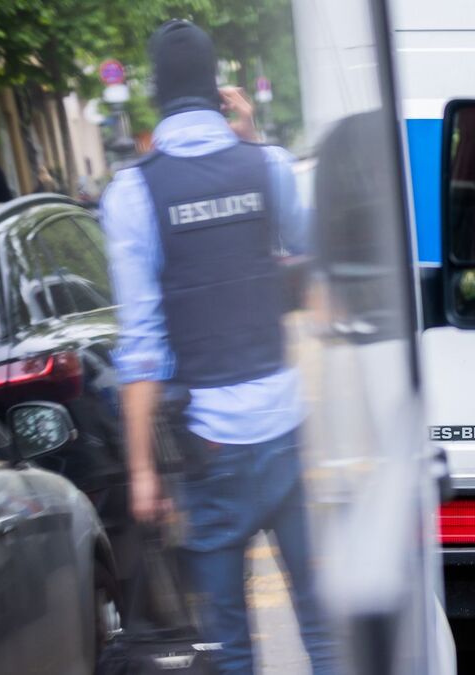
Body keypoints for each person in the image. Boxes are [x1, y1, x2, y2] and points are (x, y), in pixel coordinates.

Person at [100, 20, 336, 674]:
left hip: (207, 448)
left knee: (231, 644)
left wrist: (144, 470)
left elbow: (141, 345)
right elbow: (305, 243)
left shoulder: (132, 193)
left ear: (153, 94)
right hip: (283, 429)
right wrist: (254, 138)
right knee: (319, 624)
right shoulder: (267, 166)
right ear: (216, 88)